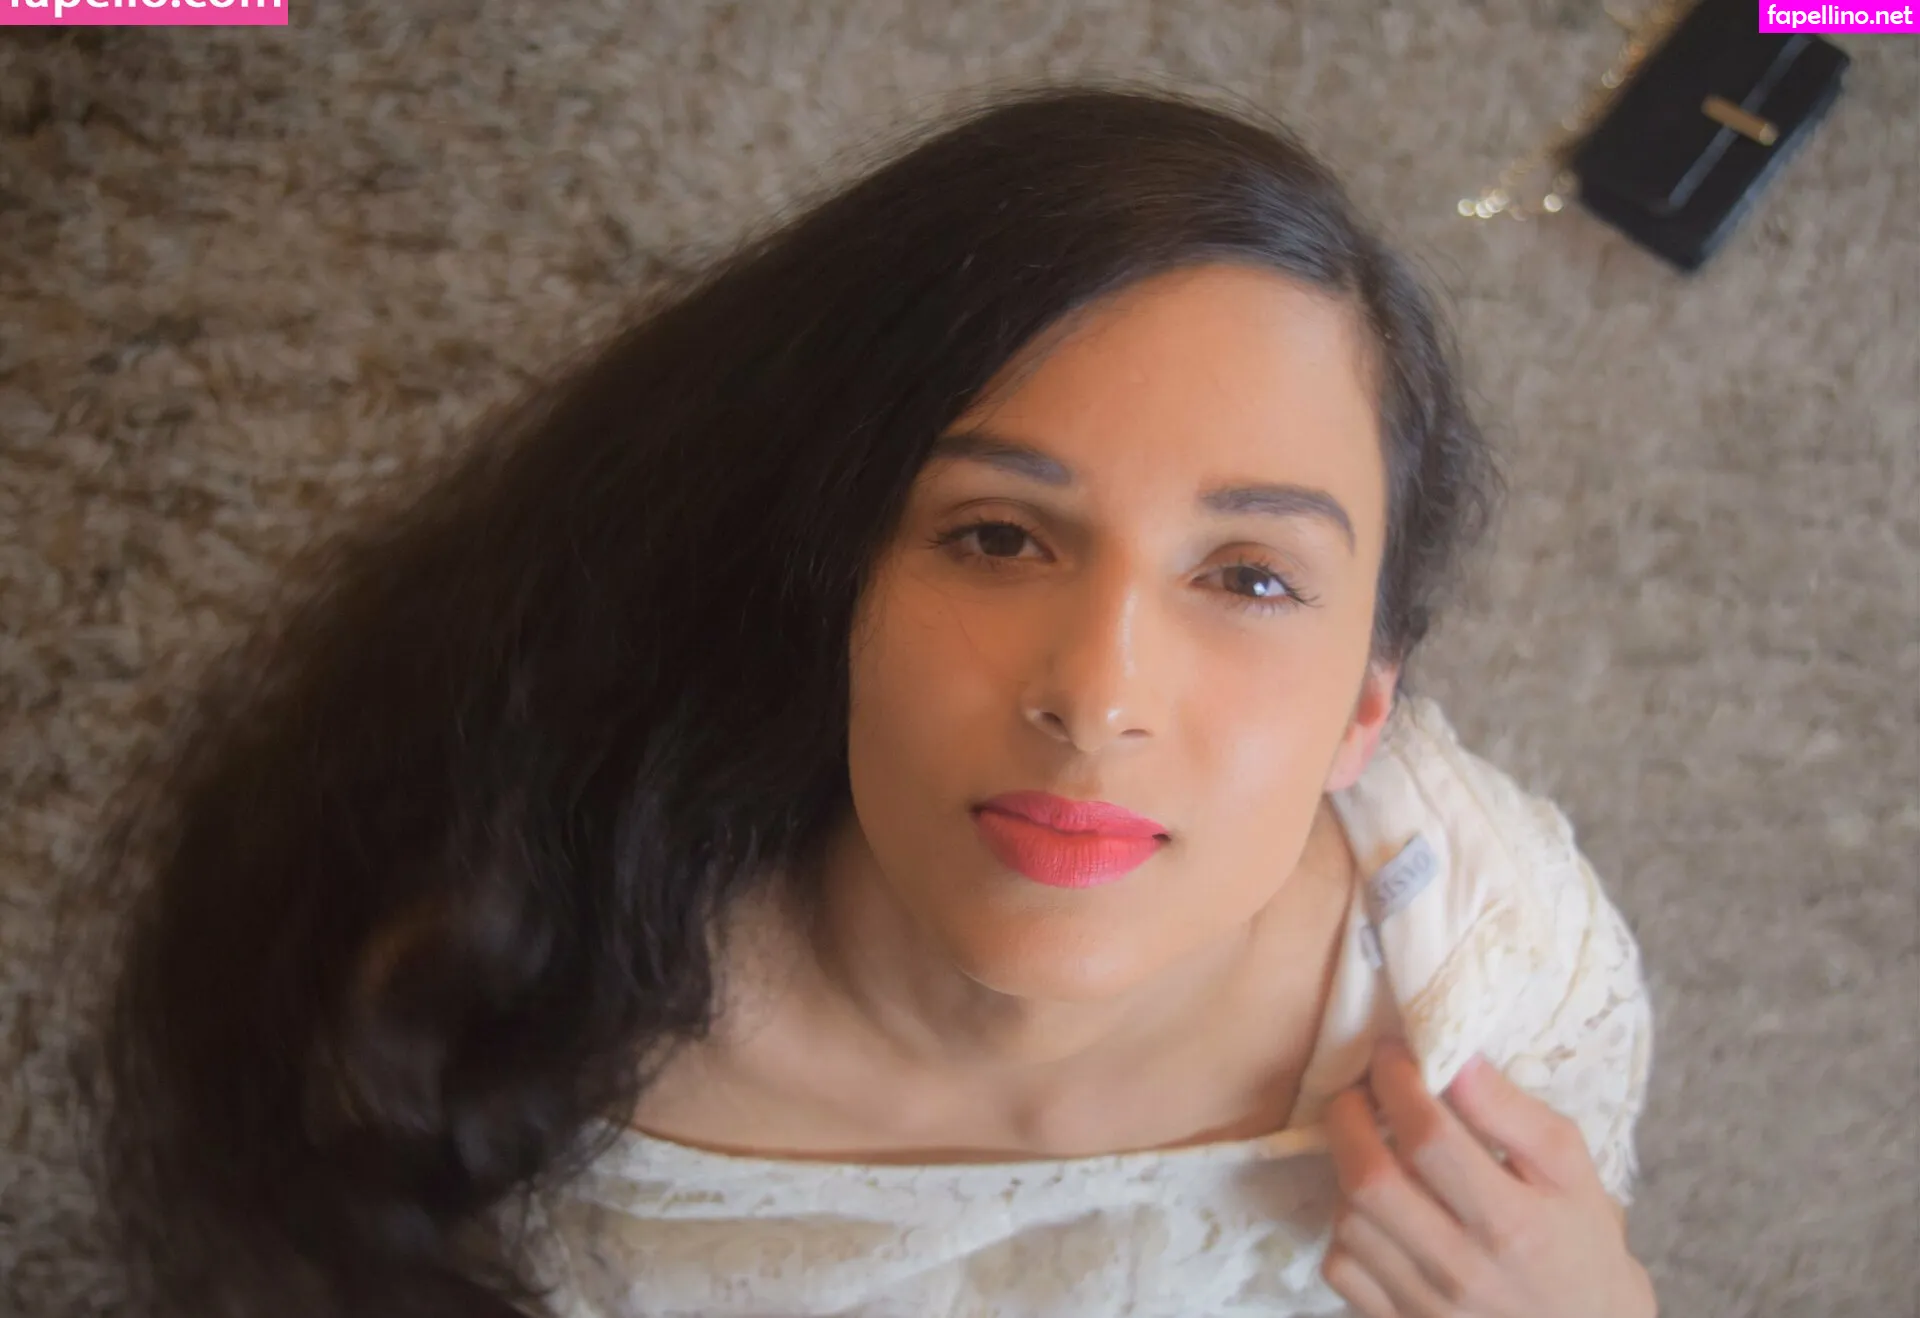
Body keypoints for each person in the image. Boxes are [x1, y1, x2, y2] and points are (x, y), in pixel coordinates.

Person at [93, 86, 1657, 1317]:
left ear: (1368, 704)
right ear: (831, 582)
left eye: (1248, 576)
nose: (1096, 697)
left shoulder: (1502, 987)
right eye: (998, 536)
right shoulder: (500, 1003)